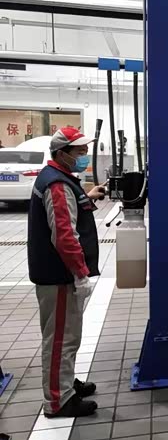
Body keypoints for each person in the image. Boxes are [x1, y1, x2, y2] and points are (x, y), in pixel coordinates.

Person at [28, 127, 106, 418]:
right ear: (62, 153)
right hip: (59, 275)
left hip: (56, 273)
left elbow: (68, 211)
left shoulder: (57, 177)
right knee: (60, 339)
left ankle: (65, 384)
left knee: (66, 336)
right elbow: (64, 235)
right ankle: (58, 401)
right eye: (79, 151)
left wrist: (88, 196)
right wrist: (80, 273)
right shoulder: (57, 185)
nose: (84, 156)